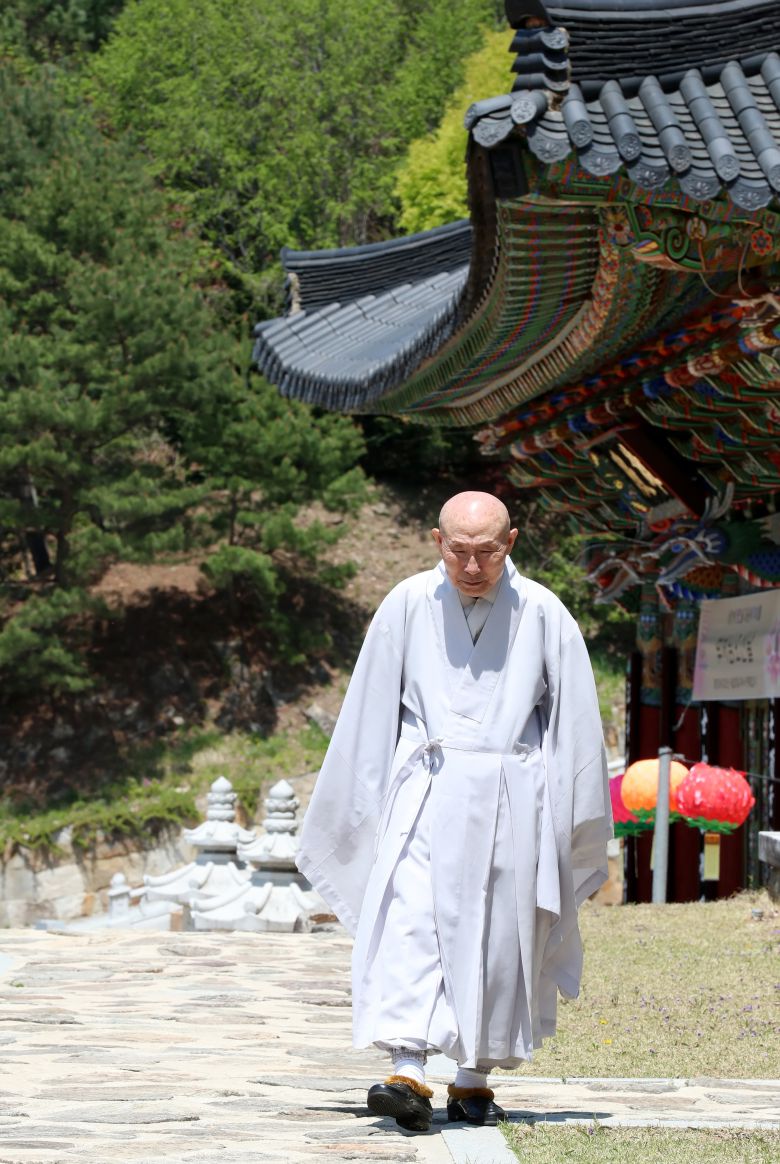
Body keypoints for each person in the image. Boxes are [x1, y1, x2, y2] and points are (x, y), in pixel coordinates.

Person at [296, 491, 611, 1132]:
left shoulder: (545, 613)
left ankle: (474, 1077)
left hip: (512, 793)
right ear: (437, 542)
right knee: (411, 920)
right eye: (460, 551)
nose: (472, 565)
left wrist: (566, 813)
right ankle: (407, 1068)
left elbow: (574, 721)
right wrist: (364, 797)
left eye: (486, 552)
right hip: (427, 788)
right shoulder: (406, 604)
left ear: (511, 542)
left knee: (501, 937)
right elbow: (370, 708)